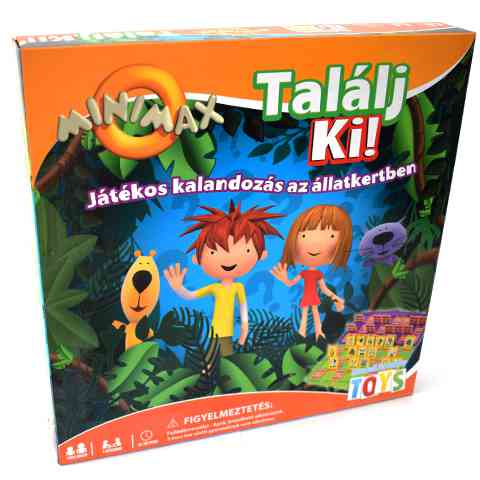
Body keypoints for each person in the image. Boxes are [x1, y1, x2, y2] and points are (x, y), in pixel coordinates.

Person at [164, 201, 283, 357]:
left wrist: (244, 330)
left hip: (227, 333)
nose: (228, 259)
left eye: (246, 250)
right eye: (213, 252)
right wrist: (178, 288)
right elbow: (191, 295)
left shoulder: (238, 288)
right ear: (197, 259)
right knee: (210, 363)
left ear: (261, 255)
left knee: (225, 361)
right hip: (213, 333)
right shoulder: (215, 288)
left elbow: (243, 308)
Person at [271, 205, 352, 340]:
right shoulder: (304, 274)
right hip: (307, 297)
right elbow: (291, 283)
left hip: (313, 297)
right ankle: (302, 333)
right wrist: (284, 278)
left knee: (315, 313)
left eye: (331, 236)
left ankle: (318, 332)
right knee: (305, 315)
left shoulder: (318, 275)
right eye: (304, 235)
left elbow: (324, 289)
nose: (315, 245)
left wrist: (335, 298)